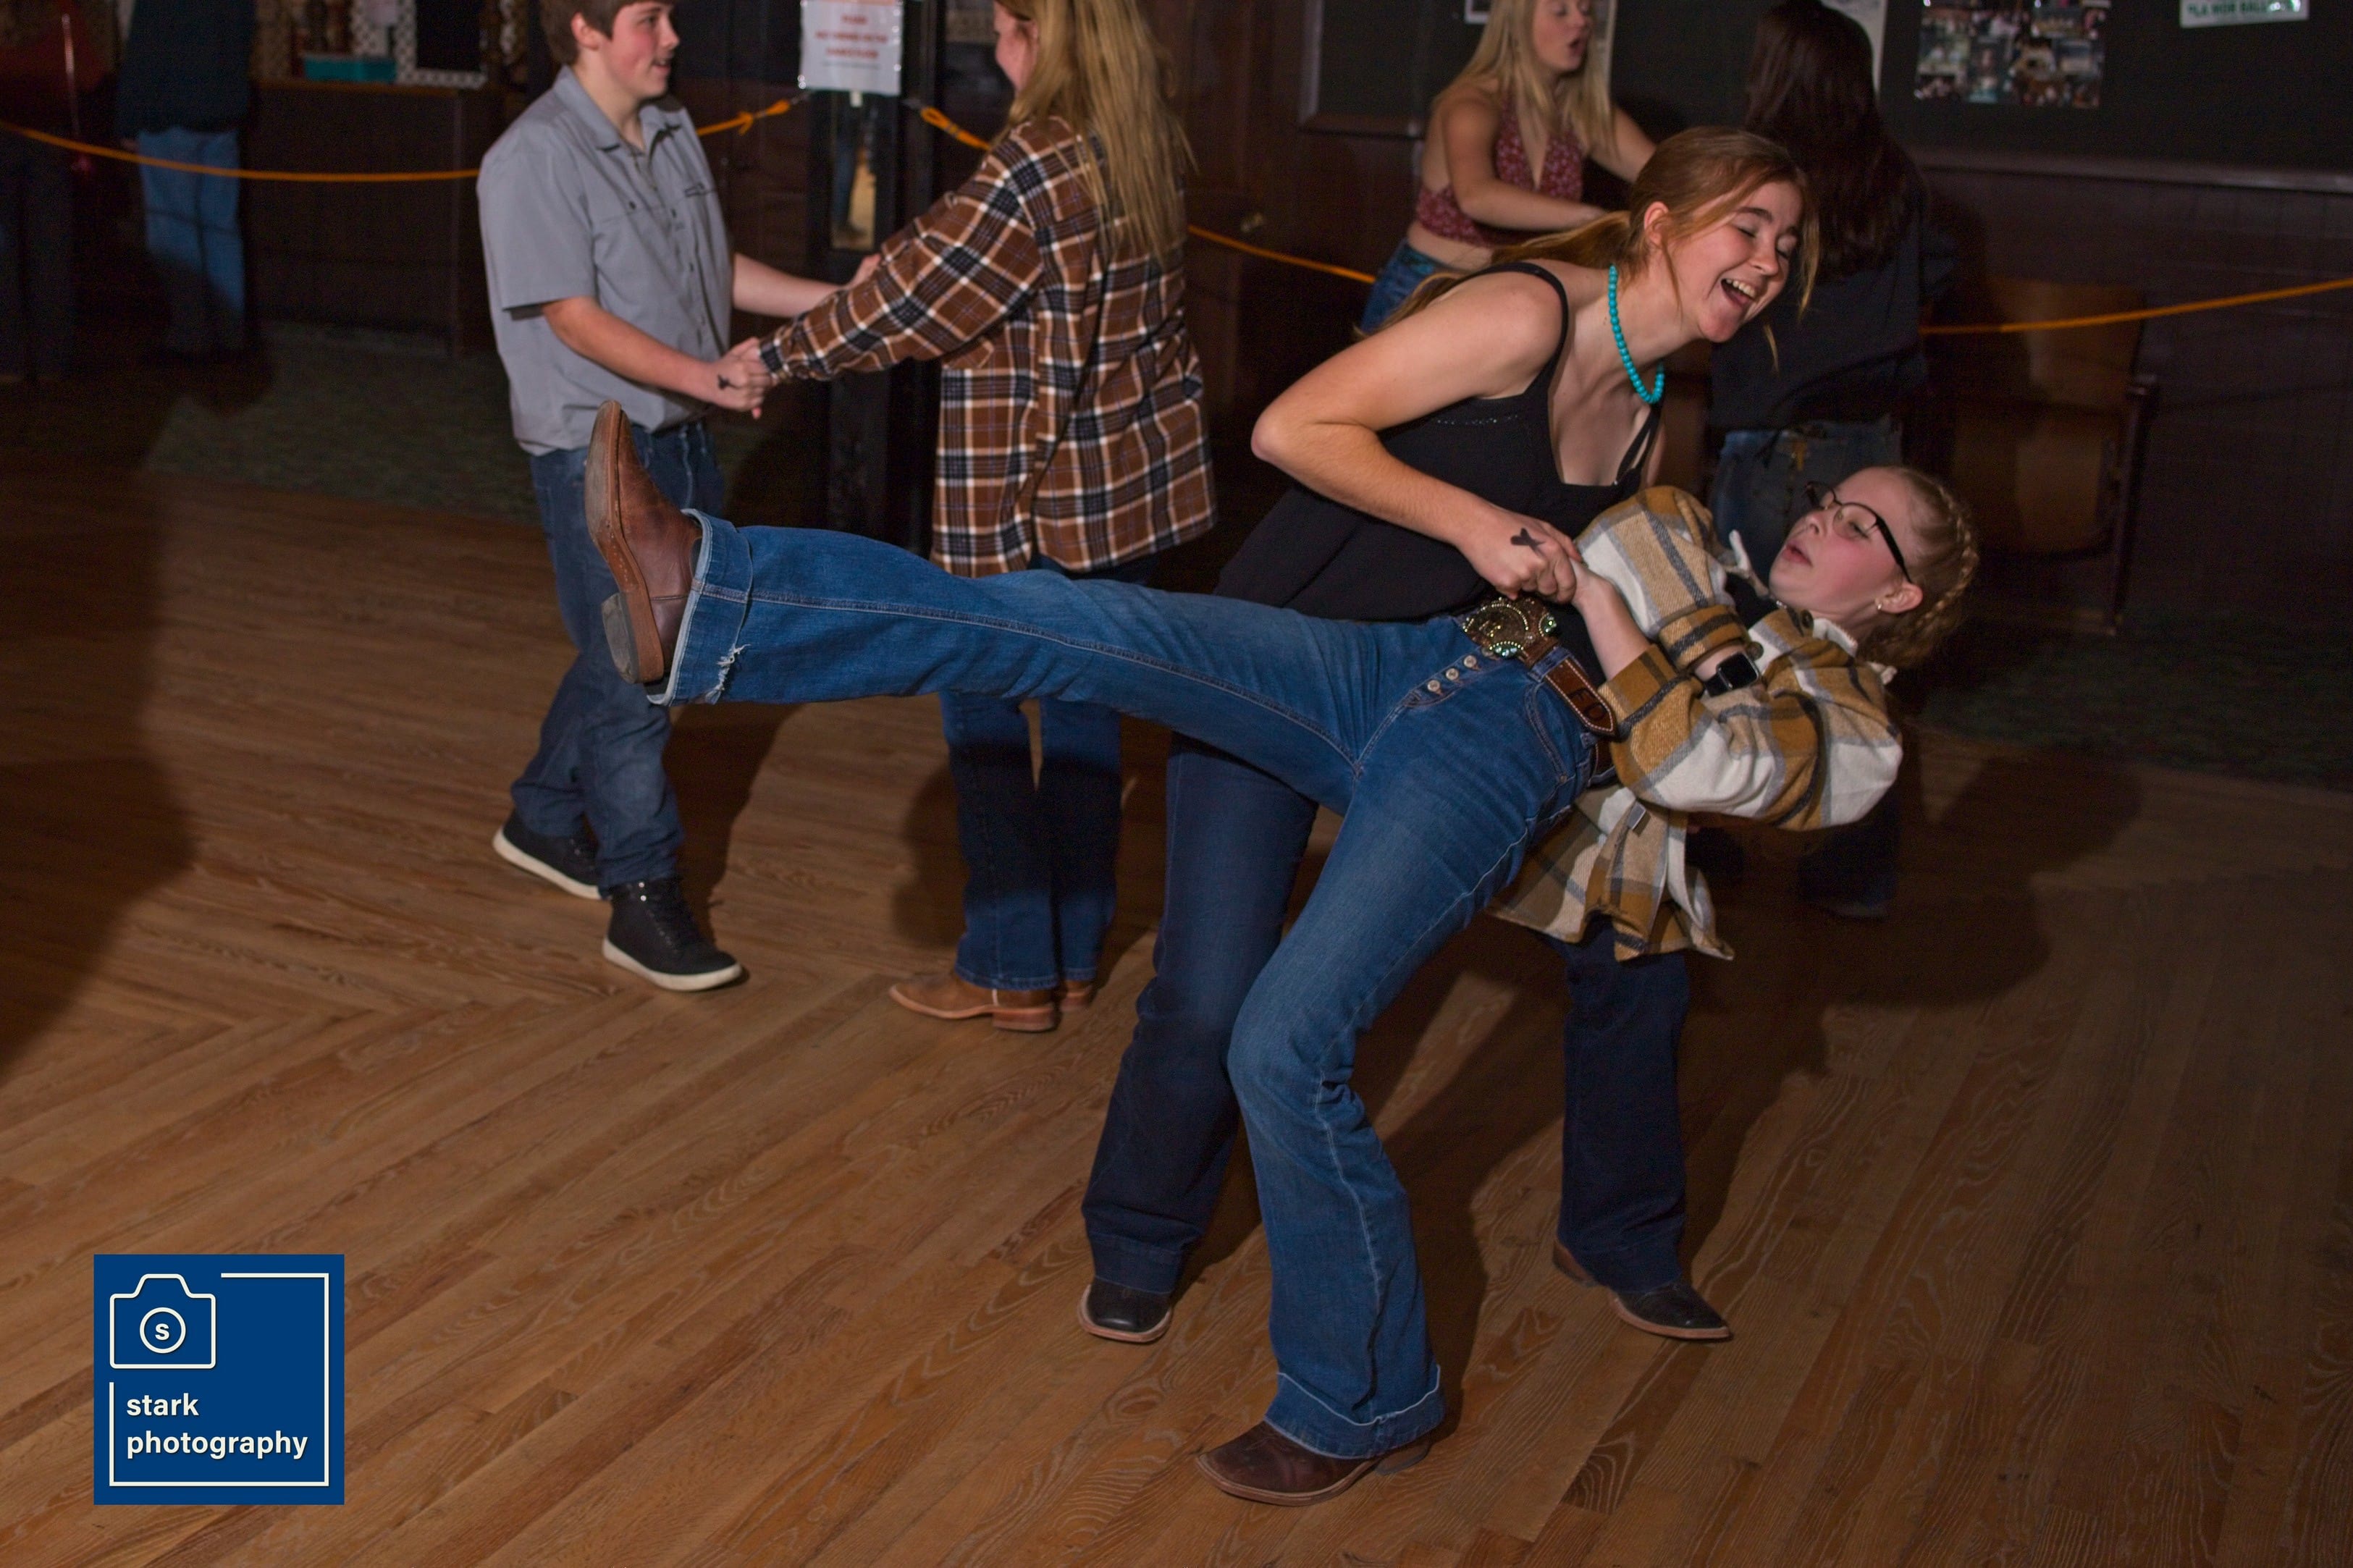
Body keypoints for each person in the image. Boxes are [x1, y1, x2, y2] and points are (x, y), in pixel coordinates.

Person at [579, 397, 1977, 1502]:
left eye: (1863, 524)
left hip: (1509, 753)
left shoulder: (1853, 740)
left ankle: (1364, 1400)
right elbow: (1572, 577)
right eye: (1833, 498)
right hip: (1418, 661)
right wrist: (1528, 602)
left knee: (1285, 1045)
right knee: (1079, 621)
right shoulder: (1679, 525)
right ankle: (715, 590)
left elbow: (1689, 763)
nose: (1822, 516)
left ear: (1904, 598)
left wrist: (1602, 620)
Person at [1078, 129, 1799, 1415]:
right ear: (1661, 223)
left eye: (1787, 246)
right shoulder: (1524, 315)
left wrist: (1553, 684)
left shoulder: (1647, 409)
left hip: (1417, 700)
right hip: (1283, 655)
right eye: (1747, 226)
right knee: (1207, 990)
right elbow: (1291, 428)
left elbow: (1520, 594)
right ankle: (1141, 1233)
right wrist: (1472, 524)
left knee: (1626, 938)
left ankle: (1617, 1236)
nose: (1767, 260)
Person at [754, 0, 1214, 1032]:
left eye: (1002, 25)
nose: (994, 47)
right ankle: (1075, 956)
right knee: (1089, 724)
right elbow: (950, 260)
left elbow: (913, 300)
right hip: (1125, 495)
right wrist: (893, 267)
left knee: (983, 718)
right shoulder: (1147, 145)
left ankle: (1009, 968)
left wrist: (775, 359)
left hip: (1023, 499)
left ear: (1037, 34)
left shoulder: (1039, 160)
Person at [476, 0, 840, 990]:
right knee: (642, 671)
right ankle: (641, 895)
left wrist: (840, 303)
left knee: (633, 651)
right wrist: (706, 376)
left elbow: (710, 269)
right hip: (597, 449)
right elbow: (573, 317)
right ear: (585, 30)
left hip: (679, 437)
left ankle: (544, 815)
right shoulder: (531, 157)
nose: (672, 35)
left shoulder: (671, 125)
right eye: (647, 18)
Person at [1704, 0, 1956, 919]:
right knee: (1858, 670)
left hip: (1776, 440)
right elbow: (1938, 270)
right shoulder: (1893, 176)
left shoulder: (1758, 180)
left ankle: (1707, 845)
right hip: (1871, 445)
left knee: (1728, 647)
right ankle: (1851, 879)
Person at [1360, 0, 1653, 331]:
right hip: (1430, 286)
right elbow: (1477, 196)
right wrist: (1592, 219)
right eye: (1561, 11)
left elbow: (1661, 170)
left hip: (1510, 293)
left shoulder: (1581, 112)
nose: (1581, 22)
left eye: (1586, 11)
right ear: (1516, 23)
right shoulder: (1472, 103)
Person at [114, 0, 251, 362]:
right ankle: (230, 332)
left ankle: (191, 334)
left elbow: (144, 51)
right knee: (221, 228)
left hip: (171, 114)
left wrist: (128, 121)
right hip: (223, 116)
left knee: (174, 231)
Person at [0, 0, 102, 382]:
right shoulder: (61, 8)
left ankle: (7, 361)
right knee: (51, 251)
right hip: (49, 138)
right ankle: (53, 359)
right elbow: (89, 74)